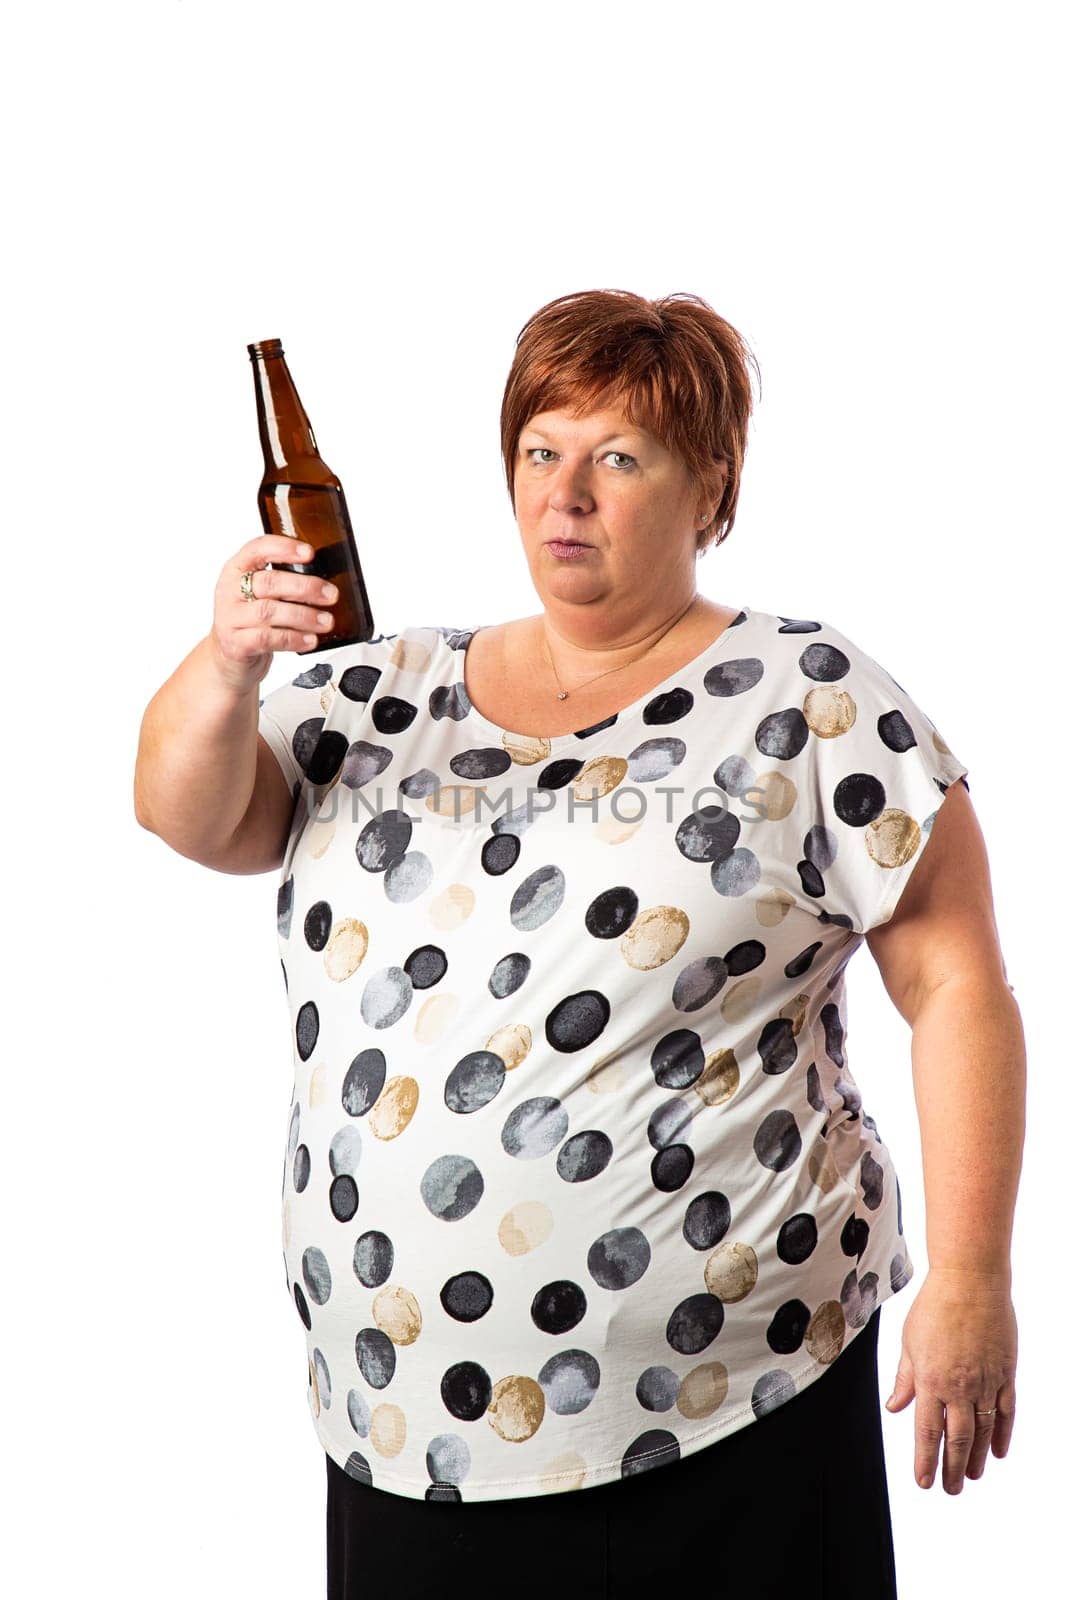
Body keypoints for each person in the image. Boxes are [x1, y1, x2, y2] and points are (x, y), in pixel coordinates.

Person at [134, 289, 1024, 1598]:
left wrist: (975, 1278)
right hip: (405, 1427)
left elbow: (958, 987)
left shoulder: (809, 700)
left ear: (707, 485)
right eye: (543, 451)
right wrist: (226, 665)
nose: (570, 495)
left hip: (735, 1407)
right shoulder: (385, 691)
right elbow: (188, 815)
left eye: (620, 458)